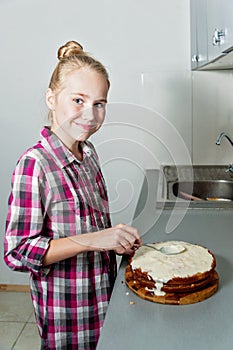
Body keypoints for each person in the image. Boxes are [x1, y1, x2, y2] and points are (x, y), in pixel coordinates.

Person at [4, 40, 142, 350]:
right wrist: (95, 240)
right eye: (78, 100)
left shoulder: (88, 153)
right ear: (51, 99)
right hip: (67, 313)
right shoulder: (34, 165)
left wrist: (114, 242)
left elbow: (91, 227)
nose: (90, 114)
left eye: (99, 103)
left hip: (102, 298)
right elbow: (17, 252)